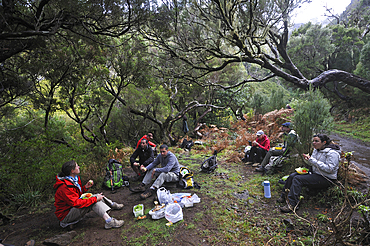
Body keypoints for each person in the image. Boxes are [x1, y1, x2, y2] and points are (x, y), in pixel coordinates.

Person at [278, 134, 340, 213]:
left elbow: (330, 169)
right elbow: (312, 163)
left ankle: (292, 204)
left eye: (316, 141)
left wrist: (312, 161)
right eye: (313, 141)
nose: (314, 143)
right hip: (315, 173)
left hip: (326, 178)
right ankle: (284, 196)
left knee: (298, 179)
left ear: (324, 142)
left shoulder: (332, 153)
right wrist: (307, 160)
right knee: (293, 176)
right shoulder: (316, 150)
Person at [54, 161, 124, 229]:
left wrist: (85, 187)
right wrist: (95, 199)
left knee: (94, 197)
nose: (79, 167)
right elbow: (76, 203)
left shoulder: (74, 179)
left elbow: (77, 195)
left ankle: (111, 205)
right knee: (93, 202)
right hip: (66, 215)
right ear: (72, 171)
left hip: (72, 208)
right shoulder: (64, 187)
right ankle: (109, 221)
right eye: (77, 166)